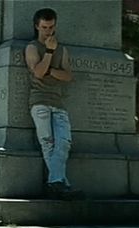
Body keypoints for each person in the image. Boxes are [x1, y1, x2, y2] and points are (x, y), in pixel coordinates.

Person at [25, 8, 83, 200]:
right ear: (37, 26)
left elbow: (68, 76)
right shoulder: (32, 47)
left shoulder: (63, 49)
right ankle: (61, 184)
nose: (48, 31)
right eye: (44, 27)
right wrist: (49, 51)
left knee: (64, 142)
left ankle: (55, 183)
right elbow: (38, 72)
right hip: (39, 101)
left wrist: (51, 70)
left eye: (51, 27)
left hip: (58, 102)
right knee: (48, 143)